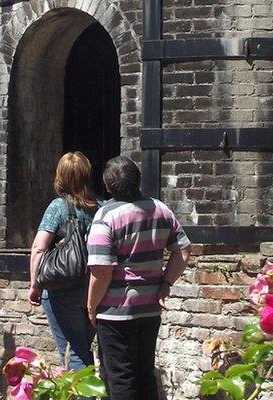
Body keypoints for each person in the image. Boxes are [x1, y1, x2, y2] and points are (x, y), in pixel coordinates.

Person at [86, 155, 192, 400]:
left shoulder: (106, 217)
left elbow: (101, 271)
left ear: (108, 186)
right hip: (149, 308)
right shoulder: (160, 209)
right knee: (144, 374)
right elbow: (183, 251)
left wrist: (91, 306)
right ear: (138, 180)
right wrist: (165, 284)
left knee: (121, 377)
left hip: (115, 311)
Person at [28, 151, 102, 370]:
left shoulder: (58, 207)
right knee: (84, 346)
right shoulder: (102, 206)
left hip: (62, 287)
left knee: (73, 351)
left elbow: (39, 247)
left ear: (60, 176)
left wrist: (35, 285)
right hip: (94, 287)